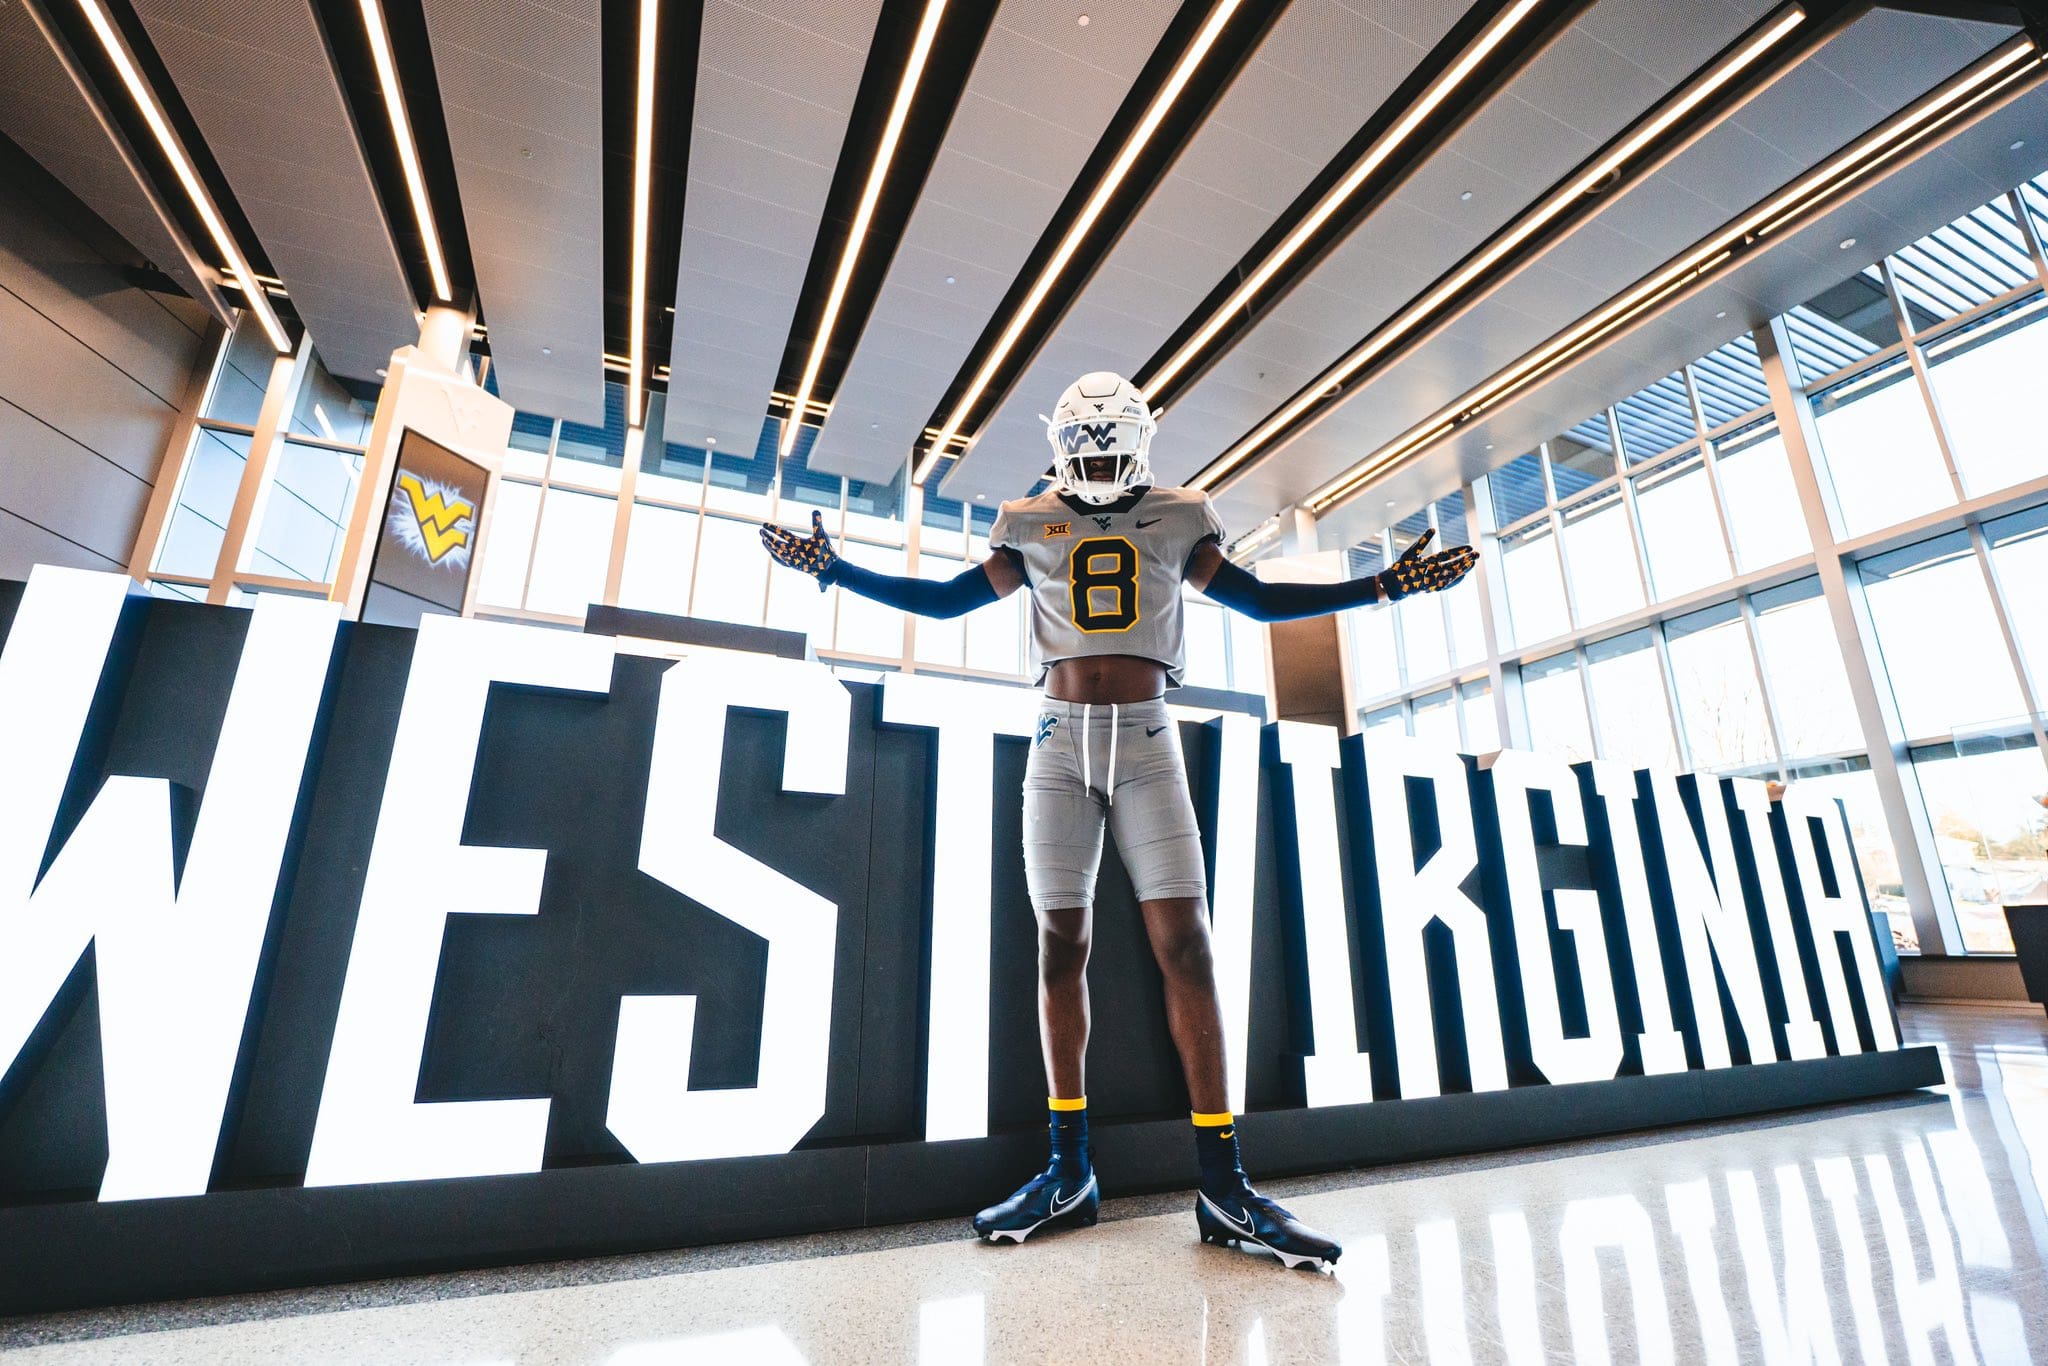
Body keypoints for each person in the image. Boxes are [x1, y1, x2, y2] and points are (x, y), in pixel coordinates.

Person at [761, 372, 1476, 1270]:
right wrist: (836, 572)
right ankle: (1070, 1173)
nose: (1097, 457)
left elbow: (1254, 600)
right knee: (1060, 947)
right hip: (1059, 740)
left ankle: (1223, 1185)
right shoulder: (1027, 519)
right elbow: (948, 603)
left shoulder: (1181, 513)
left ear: (1136, 439)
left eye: (1110, 442)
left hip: (1147, 737)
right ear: (1062, 443)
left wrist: (1381, 591)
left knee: (1189, 949)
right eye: (1085, 443)